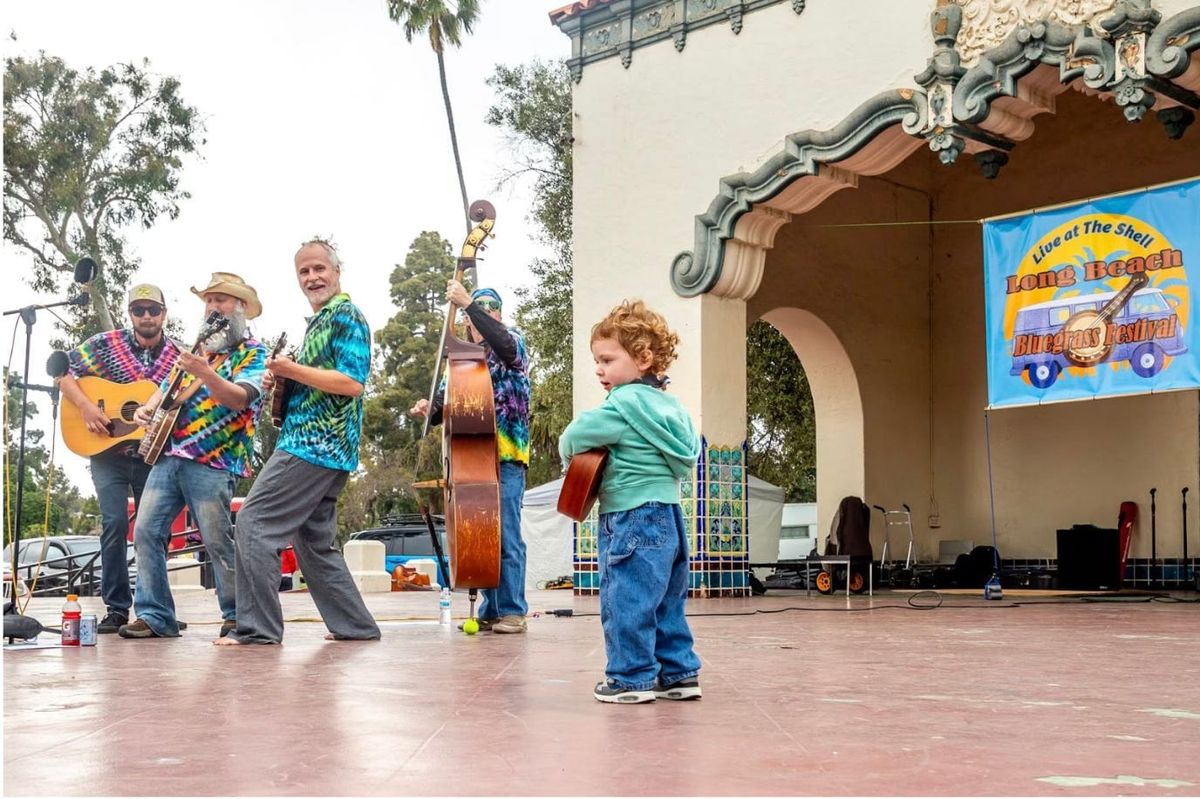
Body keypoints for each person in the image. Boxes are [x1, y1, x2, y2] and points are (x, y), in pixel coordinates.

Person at [217, 239, 379, 645]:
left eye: (319, 268)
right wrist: (285, 378)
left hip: (314, 444)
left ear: (337, 271)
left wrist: (294, 369)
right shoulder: (320, 322)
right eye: (304, 272)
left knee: (253, 522)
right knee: (313, 544)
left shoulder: (346, 316)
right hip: (327, 449)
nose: (313, 277)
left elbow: (352, 383)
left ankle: (256, 631)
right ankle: (355, 626)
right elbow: (318, 381)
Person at [558, 299, 702, 703]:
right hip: (669, 515)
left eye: (607, 360)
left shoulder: (621, 405)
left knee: (627, 598)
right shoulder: (673, 408)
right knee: (666, 599)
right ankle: (679, 674)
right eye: (597, 362)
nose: (600, 370)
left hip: (630, 517)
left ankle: (631, 678)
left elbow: (572, 438)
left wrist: (571, 453)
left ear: (642, 358)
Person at [119, 273, 269, 639]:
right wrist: (148, 408)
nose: (214, 307)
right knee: (145, 532)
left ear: (241, 309)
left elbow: (241, 397)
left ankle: (236, 615)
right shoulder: (199, 351)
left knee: (217, 540)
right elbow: (169, 385)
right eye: (209, 301)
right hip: (170, 455)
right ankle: (156, 617)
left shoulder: (256, 353)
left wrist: (205, 372)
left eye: (222, 300)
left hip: (215, 460)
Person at [56, 284, 183, 633]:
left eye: (152, 310)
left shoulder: (178, 356)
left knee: (154, 532)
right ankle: (116, 609)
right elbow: (62, 370)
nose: (146, 316)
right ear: (129, 313)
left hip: (151, 454)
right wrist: (85, 408)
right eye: (138, 309)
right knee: (113, 525)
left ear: (164, 313)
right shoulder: (105, 343)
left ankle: (155, 610)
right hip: (105, 451)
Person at [409, 282, 531, 634]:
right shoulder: (463, 364)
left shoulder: (513, 342)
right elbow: (448, 402)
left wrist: (468, 303)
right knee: (482, 534)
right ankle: (491, 609)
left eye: (493, 307)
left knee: (506, 534)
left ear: (499, 314)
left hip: (506, 455)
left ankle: (512, 610)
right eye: (480, 308)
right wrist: (429, 408)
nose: (487, 312)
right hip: (470, 456)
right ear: (467, 322)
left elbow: (506, 346)